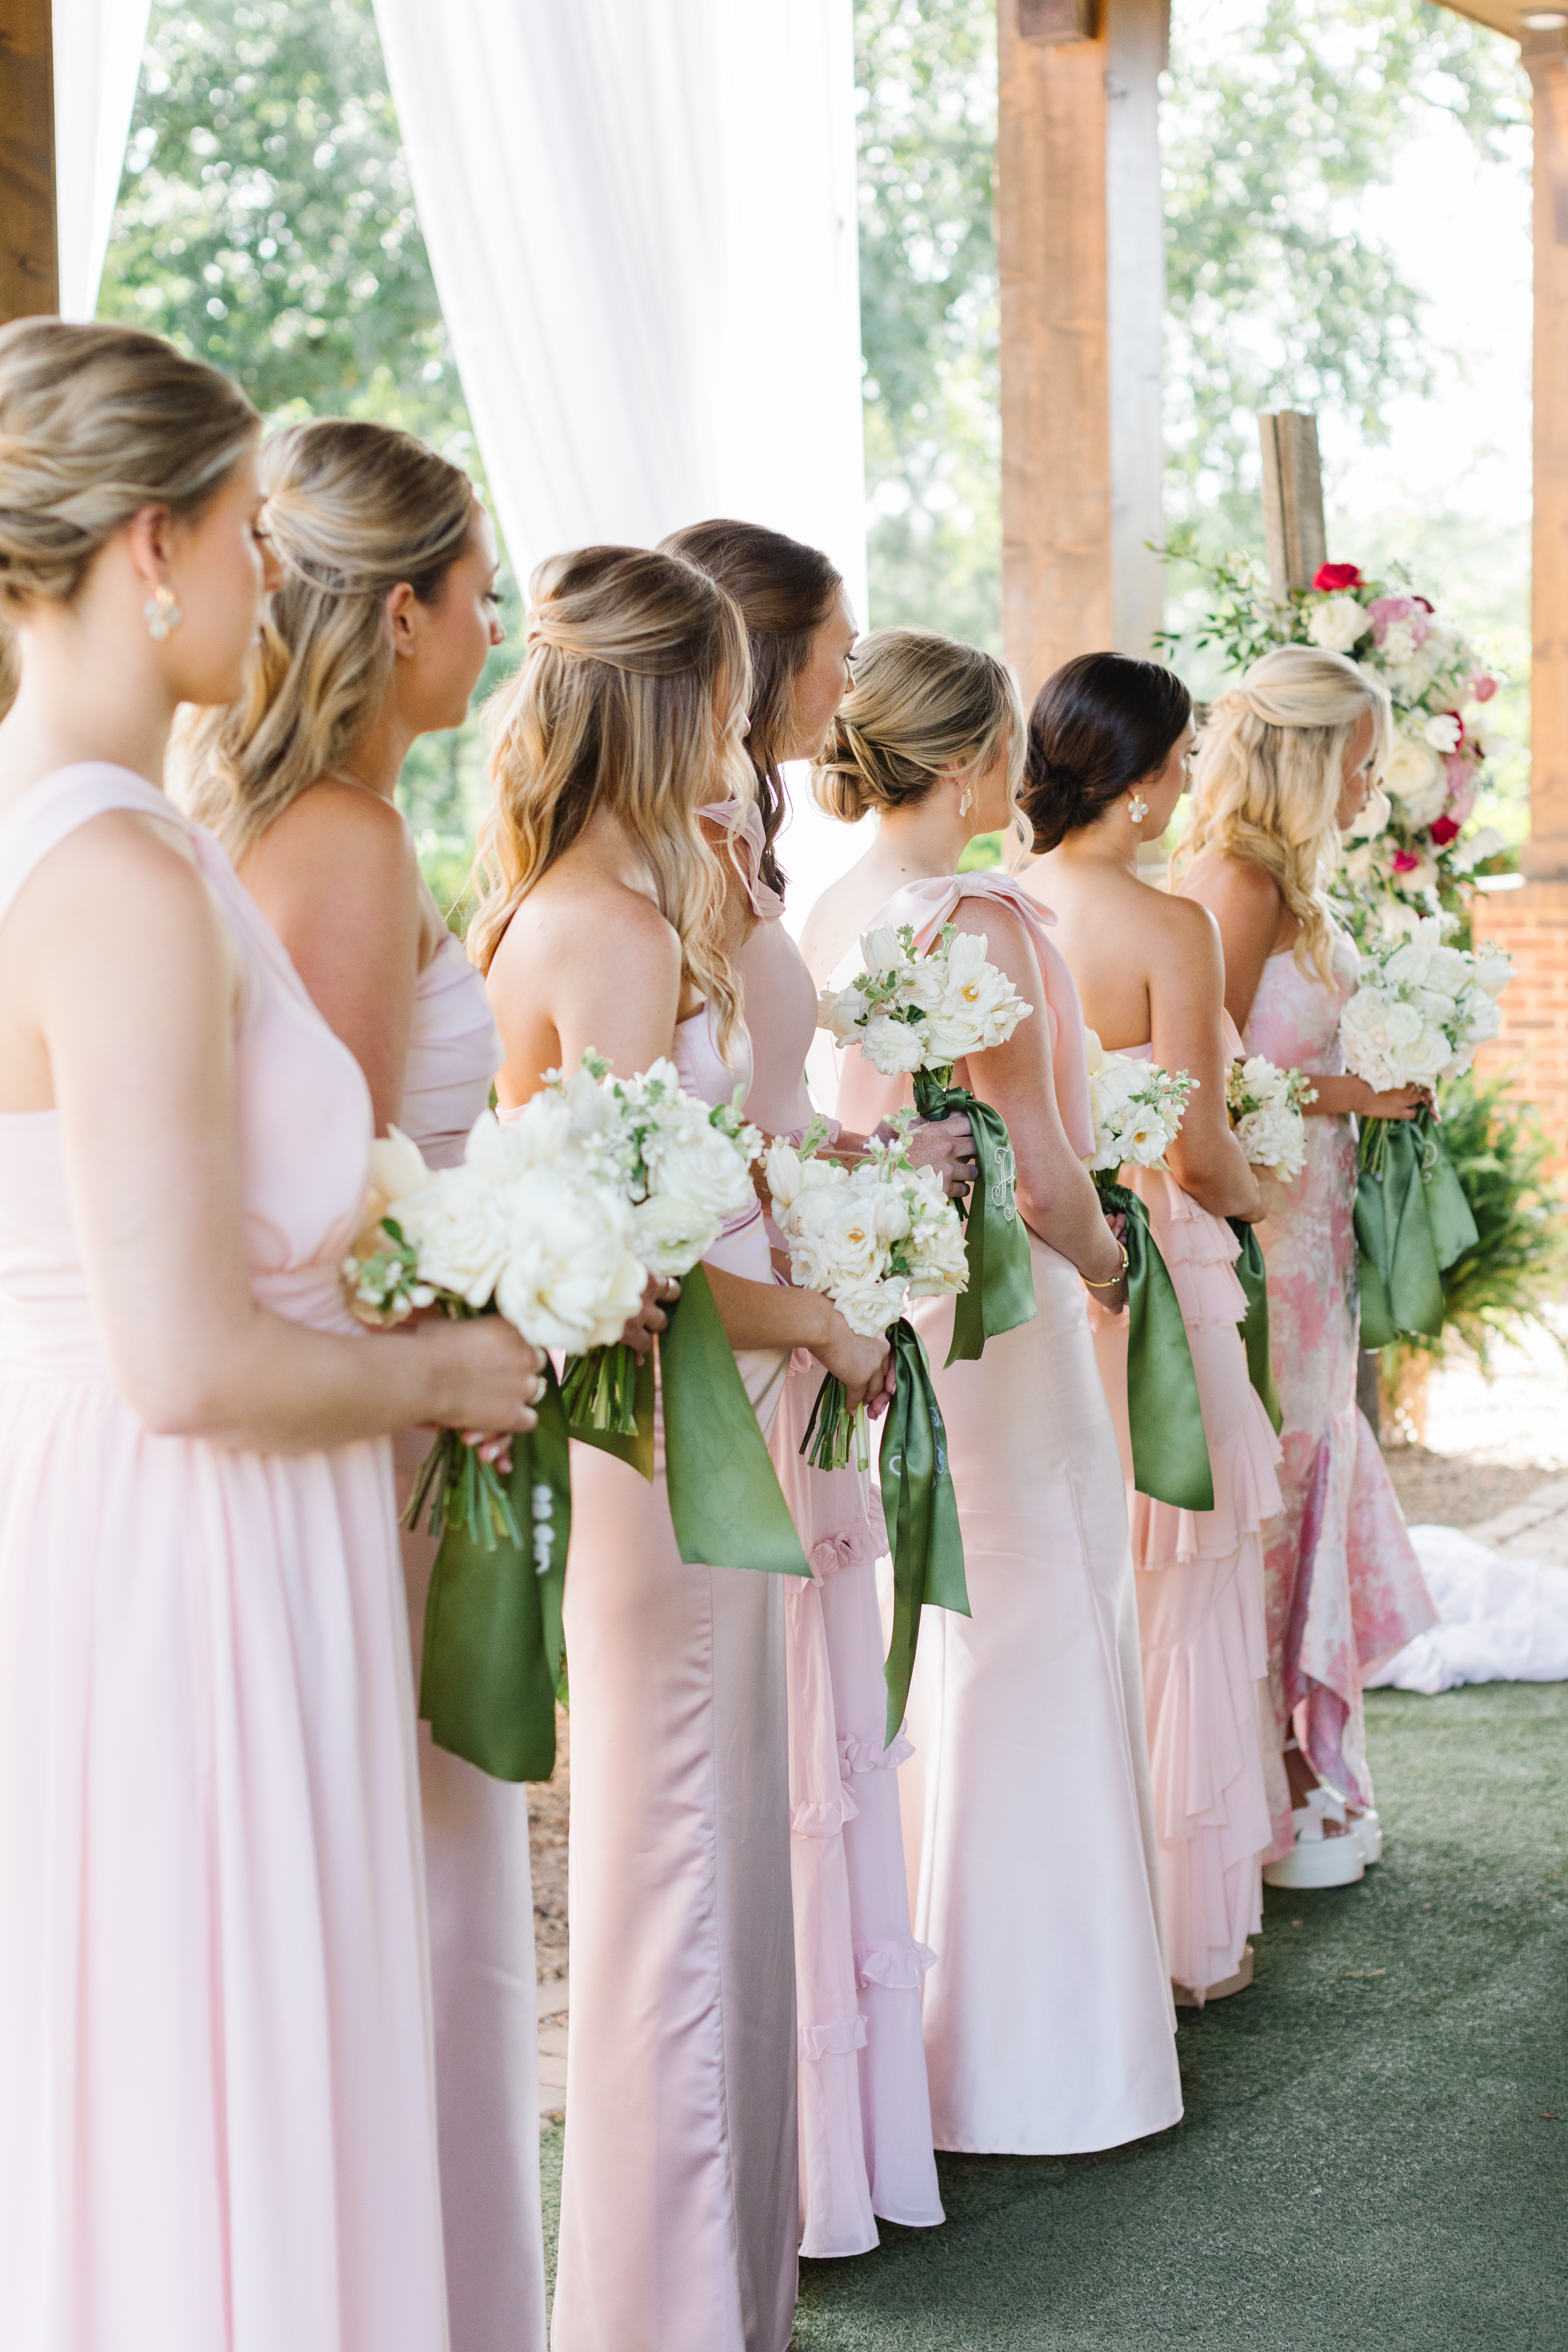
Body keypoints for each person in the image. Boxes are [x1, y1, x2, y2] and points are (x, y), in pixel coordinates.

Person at [0, 320, 540, 2350]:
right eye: (243, 529)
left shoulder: (86, 831)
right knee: (224, 2067)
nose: (266, 571)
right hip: (193, 1538)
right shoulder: (116, 870)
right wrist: (451, 1371)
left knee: (195, 2073)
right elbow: (188, 1358)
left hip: (156, 1524)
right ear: (151, 547)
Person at [474, 543, 891, 2352]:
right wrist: (825, 1323)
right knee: (683, 1867)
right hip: (666, 1444)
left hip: (690, 1427)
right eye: (730, 686)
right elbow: (644, 1268)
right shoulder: (613, 931)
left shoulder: (613, 899)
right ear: (681, 701)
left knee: (707, 1859)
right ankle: (666, 2310)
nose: (750, 717)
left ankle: (716, 2292)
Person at [181, 416, 553, 2352]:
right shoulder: (338, 838)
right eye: (482, 595)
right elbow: (341, 1214)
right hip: (391, 1421)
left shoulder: (316, 823)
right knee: (418, 1898)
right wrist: (504, 1313)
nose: (495, 633)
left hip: (409, 1406)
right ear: (401, 613)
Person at [802, 628, 1183, 2157]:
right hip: (1012, 1329)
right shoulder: (981, 919)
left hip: (905, 1316)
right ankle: (1050, 2064)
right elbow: (1037, 1171)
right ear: (969, 763)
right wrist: (1112, 1262)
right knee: (1046, 1627)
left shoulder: (830, 910)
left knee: (954, 1638)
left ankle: (938, 2039)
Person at [663, 519, 963, 2256]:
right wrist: (817, 1300)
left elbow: (765, 1115)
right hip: (751, 1343)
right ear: (763, 655)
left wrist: (866, 1174)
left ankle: (828, 2156)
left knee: (826, 1713)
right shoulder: (685, 847)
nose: (852, 676)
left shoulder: (747, 831)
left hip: (803, 1302)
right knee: (774, 1730)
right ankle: (776, 2162)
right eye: (838, 645)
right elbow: (694, 1132)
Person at [1022, 651, 1280, 2003]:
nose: (1187, 783)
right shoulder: (1173, 928)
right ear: (1134, 783)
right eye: (1180, 761)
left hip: (1044, 1283)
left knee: (1087, 1572)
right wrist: (1265, 1187)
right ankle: (1185, 1930)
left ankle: (1084, 1918)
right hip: (1164, 1273)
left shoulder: (1001, 907)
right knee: (1187, 1563)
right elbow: (1196, 1149)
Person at [1179, 643, 1438, 1888]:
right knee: (1270, 1501)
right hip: (1260, 1247)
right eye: (1363, 762)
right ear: (1309, 757)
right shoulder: (1234, 886)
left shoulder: (1291, 883)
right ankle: (1260, 1784)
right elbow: (1201, 1085)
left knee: (1303, 1476)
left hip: (1315, 1245)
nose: (1372, 787)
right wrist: (1357, 1092)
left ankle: (1292, 1758)